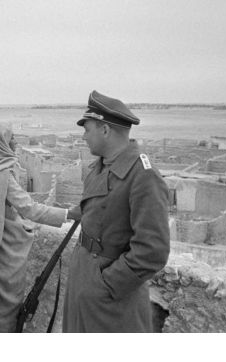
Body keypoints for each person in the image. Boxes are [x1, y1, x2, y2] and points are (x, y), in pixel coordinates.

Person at [62, 90, 170, 332]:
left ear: (105, 130)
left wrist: (106, 285)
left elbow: (152, 251)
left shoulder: (143, 175)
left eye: (87, 129)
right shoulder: (99, 167)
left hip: (112, 297)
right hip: (84, 277)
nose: (83, 136)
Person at [0, 122, 80, 332]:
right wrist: (68, 213)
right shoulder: (2, 175)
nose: (16, 142)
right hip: (2, 256)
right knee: (3, 311)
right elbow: (30, 209)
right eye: (11, 139)